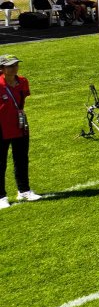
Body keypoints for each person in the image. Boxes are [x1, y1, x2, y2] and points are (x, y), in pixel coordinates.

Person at [0, 55, 37, 208]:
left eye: (16, 65)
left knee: (21, 159)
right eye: (10, 66)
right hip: (1, 128)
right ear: (1, 69)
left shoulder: (23, 81)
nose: (14, 68)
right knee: (0, 162)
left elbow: (21, 101)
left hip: (20, 126)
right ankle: (1, 196)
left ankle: (24, 190)